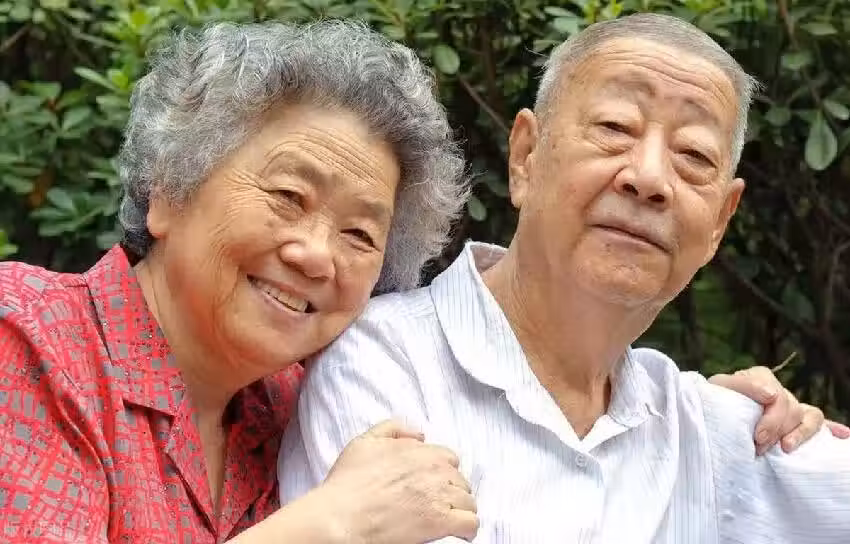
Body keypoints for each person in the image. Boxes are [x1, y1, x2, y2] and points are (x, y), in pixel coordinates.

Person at [0, 17, 839, 544]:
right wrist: (323, 527)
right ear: (168, 190)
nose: (317, 254)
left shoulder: (281, 401)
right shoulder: (28, 336)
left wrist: (741, 421)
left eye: (360, 233)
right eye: (288, 197)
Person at [279, 13, 850, 543]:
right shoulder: (382, 364)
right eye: (615, 127)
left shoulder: (715, 433)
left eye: (694, 157)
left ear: (721, 221)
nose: (649, 177)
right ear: (525, 157)